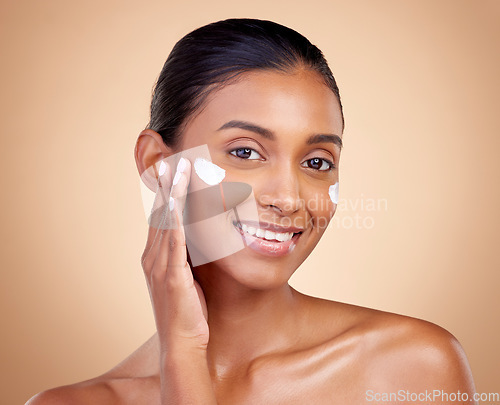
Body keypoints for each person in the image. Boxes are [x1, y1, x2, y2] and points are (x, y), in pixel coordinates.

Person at [27, 18, 477, 404]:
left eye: (317, 162)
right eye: (245, 152)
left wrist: (183, 354)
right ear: (157, 164)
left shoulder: (410, 368)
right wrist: (181, 352)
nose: (289, 198)